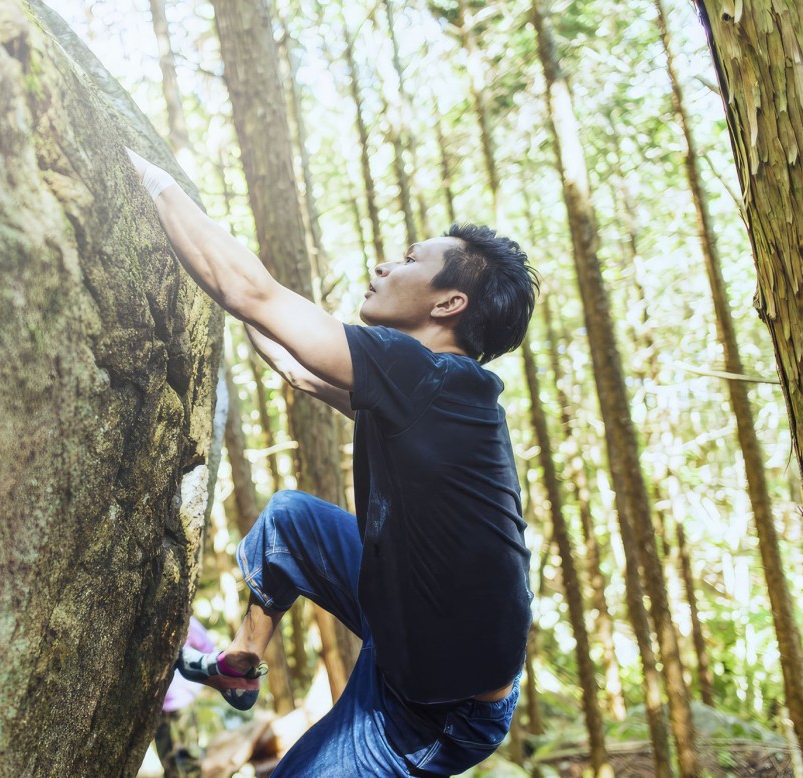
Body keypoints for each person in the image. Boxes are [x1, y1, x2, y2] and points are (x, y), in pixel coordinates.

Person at [127, 149, 537, 776]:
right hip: (405, 629)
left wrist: (146, 175)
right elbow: (293, 361)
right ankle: (242, 658)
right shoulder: (425, 394)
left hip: (431, 711)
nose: (384, 264)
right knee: (292, 519)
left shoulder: (432, 378)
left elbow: (251, 291)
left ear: (448, 304)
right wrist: (230, 299)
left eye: (408, 261)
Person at [155, 617, 215, 778]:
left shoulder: (186, 621)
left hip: (183, 703)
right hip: (156, 707)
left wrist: (196, 684)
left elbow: (209, 649)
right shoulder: (151, 620)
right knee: (168, 760)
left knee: (190, 756)